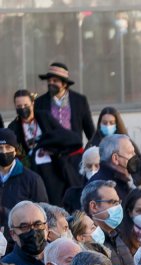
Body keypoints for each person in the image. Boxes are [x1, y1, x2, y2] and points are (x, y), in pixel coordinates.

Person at [31, 63, 94, 205]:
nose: (50, 83)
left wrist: (91, 153)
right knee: (54, 198)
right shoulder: (40, 102)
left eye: (55, 81)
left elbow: (90, 131)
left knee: (76, 195)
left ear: (64, 84)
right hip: (51, 158)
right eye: (49, 80)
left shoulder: (79, 101)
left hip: (74, 157)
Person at [4, 201, 56, 265]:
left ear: (46, 228)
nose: (33, 232)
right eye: (24, 227)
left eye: (38, 224)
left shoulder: (62, 255)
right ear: (13, 234)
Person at [0, 130, 48, 211]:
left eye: (8, 147)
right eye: (0, 148)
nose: (4, 151)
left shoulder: (32, 180)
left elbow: (43, 212)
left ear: (15, 151)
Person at [89, 134, 139, 203]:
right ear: (115, 158)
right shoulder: (103, 188)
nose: (134, 156)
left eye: (134, 152)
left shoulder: (124, 180)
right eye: (130, 153)